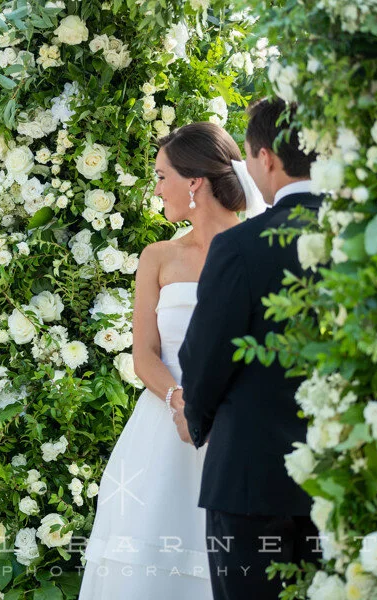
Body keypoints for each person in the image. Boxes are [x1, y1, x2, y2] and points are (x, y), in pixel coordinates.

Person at [79, 122, 265, 599]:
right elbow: (144, 355)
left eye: (162, 176)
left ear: (194, 182)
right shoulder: (158, 258)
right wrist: (181, 401)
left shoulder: (261, 252)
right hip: (163, 429)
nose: (157, 188)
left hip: (236, 432)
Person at [176, 98, 322, 600]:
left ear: (266, 158)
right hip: (344, 475)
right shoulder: (361, 239)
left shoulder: (242, 247)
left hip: (250, 479)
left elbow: (204, 357)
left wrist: (196, 420)